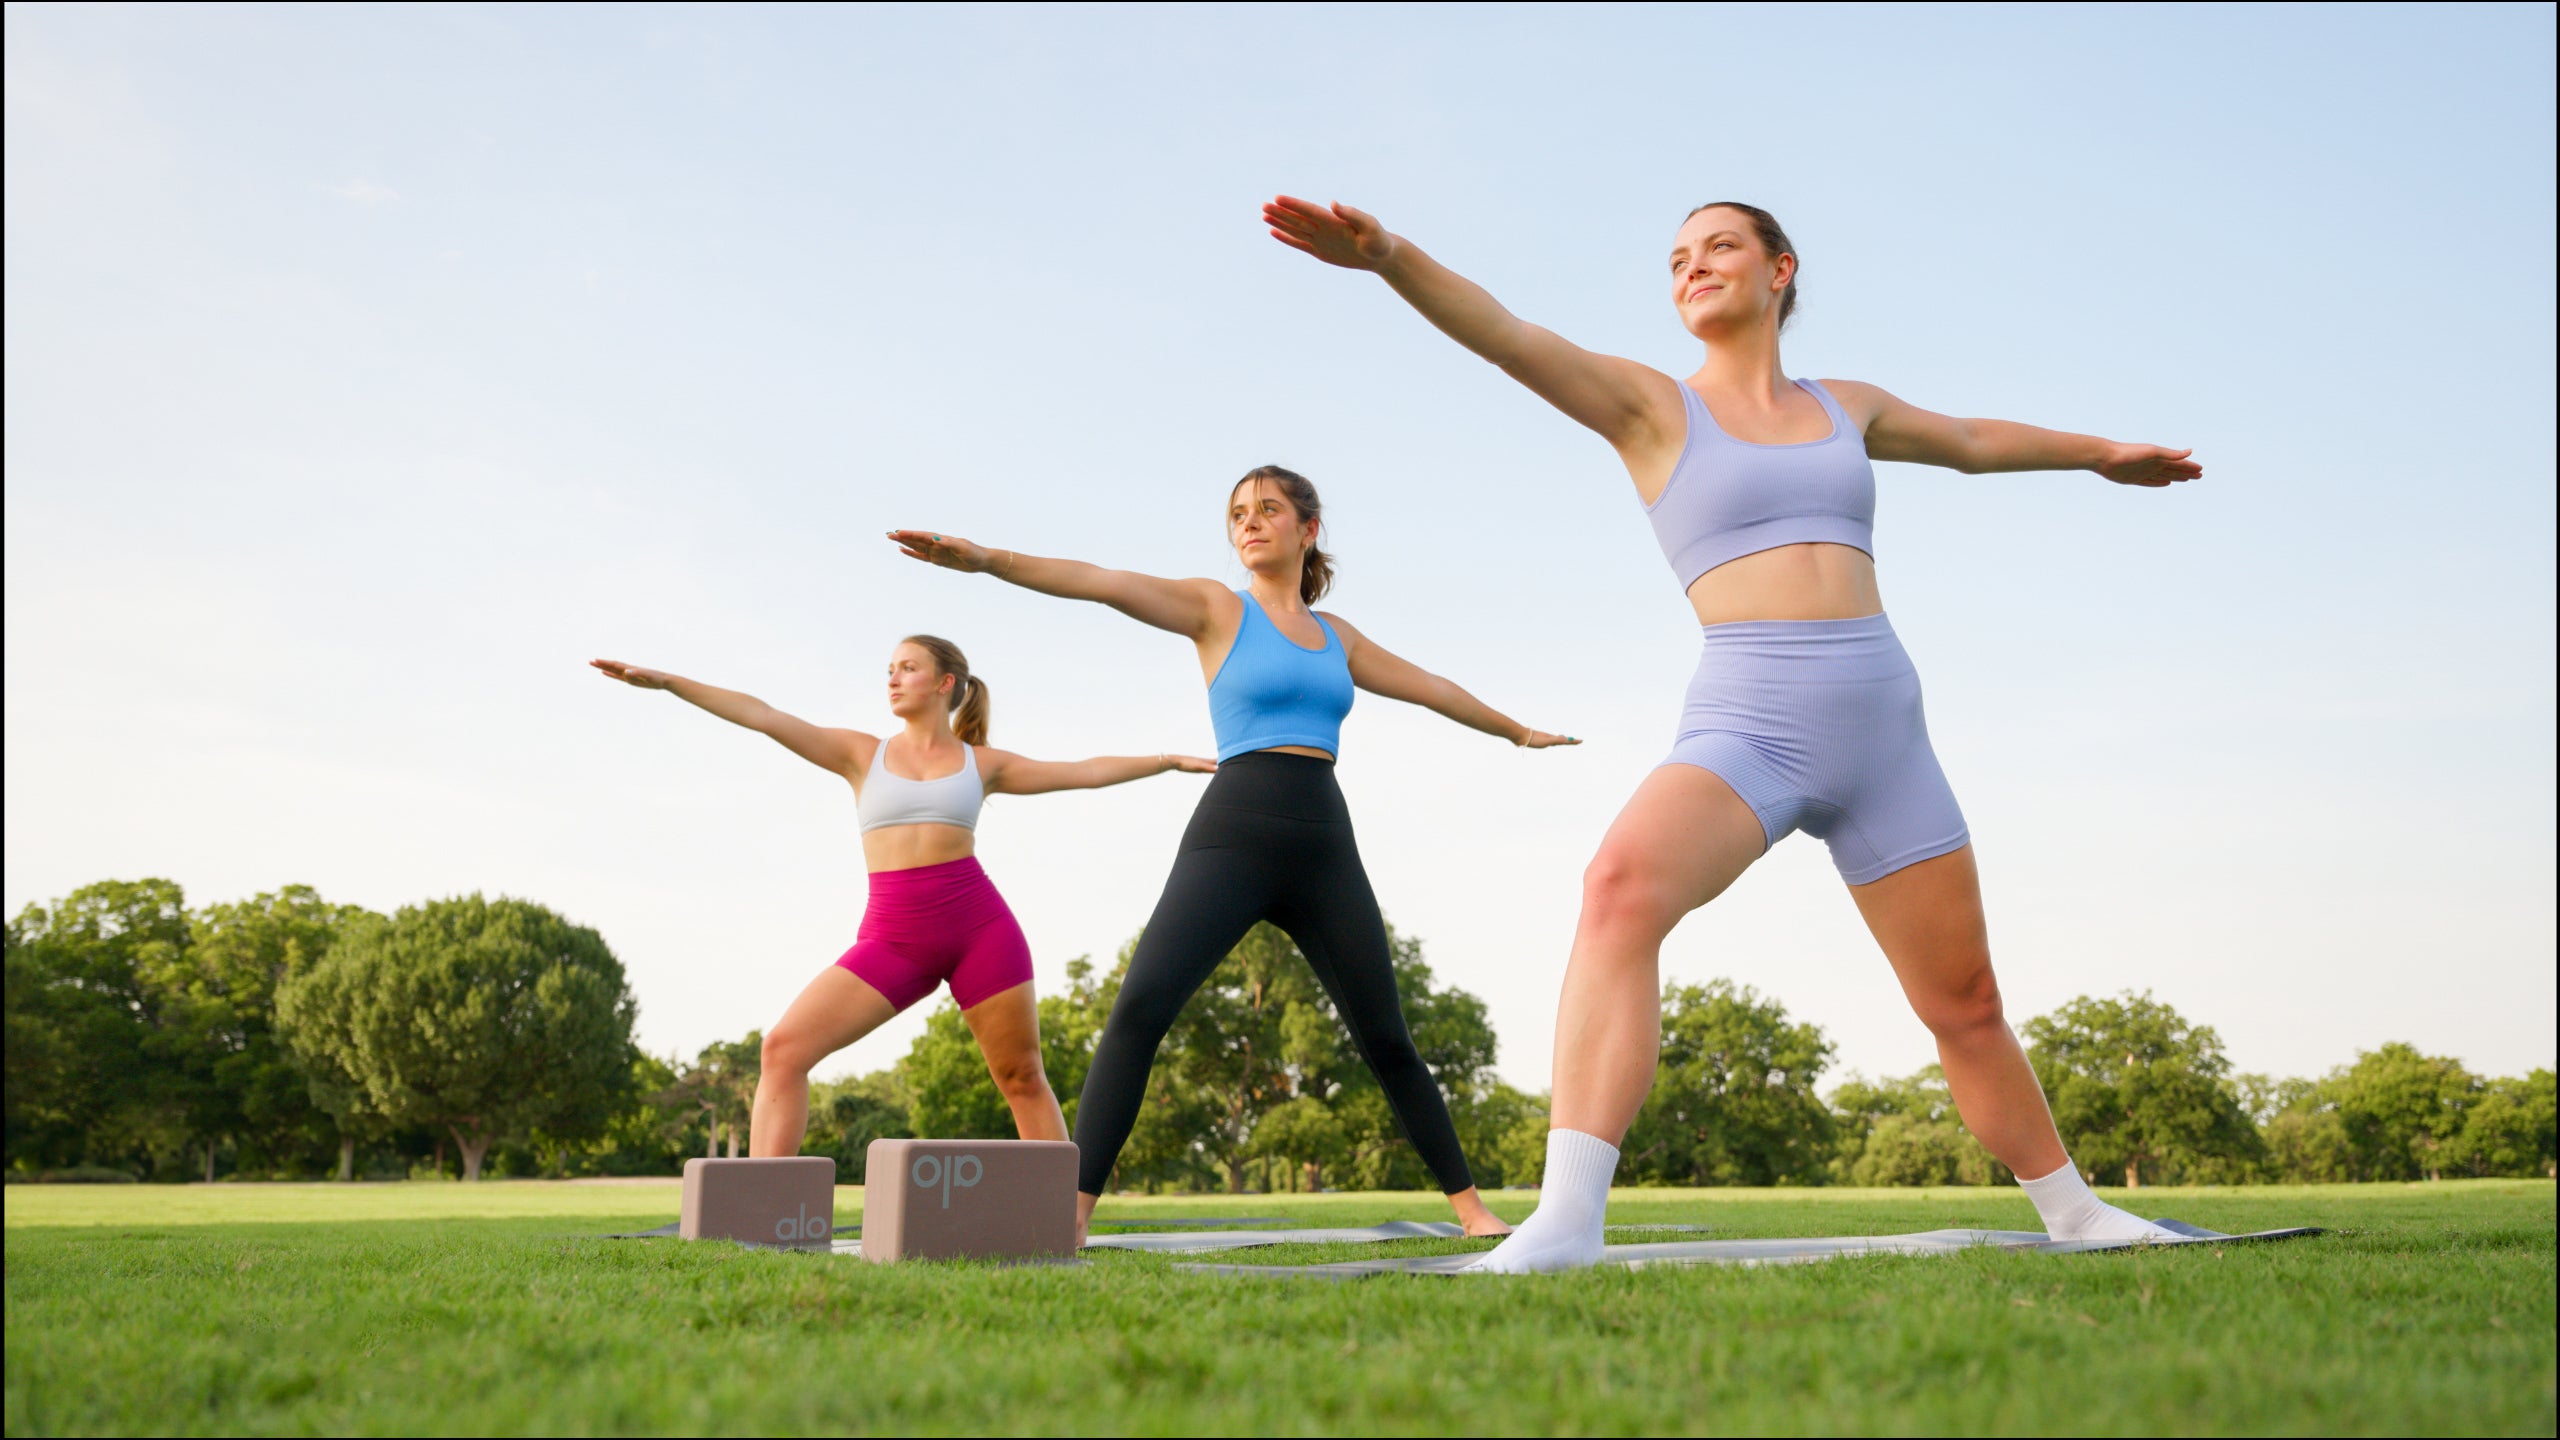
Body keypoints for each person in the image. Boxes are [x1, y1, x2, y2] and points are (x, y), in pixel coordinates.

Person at [1263, 195, 2203, 1271]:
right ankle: (1565, 1221)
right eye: (1674, 258)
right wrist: (1389, 257)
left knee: (1964, 1000)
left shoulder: (1849, 405)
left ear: (1779, 270)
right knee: (1618, 887)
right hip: (1751, 718)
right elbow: (1508, 334)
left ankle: (2077, 1211)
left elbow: (1976, 439)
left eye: (1718, 247)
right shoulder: (1651, 406)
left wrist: (2100, 453)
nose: (1692, 266)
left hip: (1883, 723)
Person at [890, 467, 1575, 1241]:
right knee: (1140, 1010)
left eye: (1269, 510)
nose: (1250, 523)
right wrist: (986, 560)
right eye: (1239, 514)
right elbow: (1099, 582)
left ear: (1307, 528)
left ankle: (1474, 1211)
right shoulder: (1215, 610)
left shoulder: (1337, 637)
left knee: (1385, 1034)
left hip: (1323, 839)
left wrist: (1515, 729)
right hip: (1233, 833)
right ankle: (1071, 1219)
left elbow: (1430, 687)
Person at [590, 637, 1212, 1156]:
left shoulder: (982, 763)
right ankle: (765, 1222)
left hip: (980, 931)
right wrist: (669, 681)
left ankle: (1058, 1225)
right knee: (783, 1049)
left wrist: (1166, 761)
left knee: (1021, 1076)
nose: (892, 678)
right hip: (893, 940)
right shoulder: (860, 753)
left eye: (907, 668)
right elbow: (763, 714)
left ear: (946, 684)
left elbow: (1082, 770)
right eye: (889, 670)